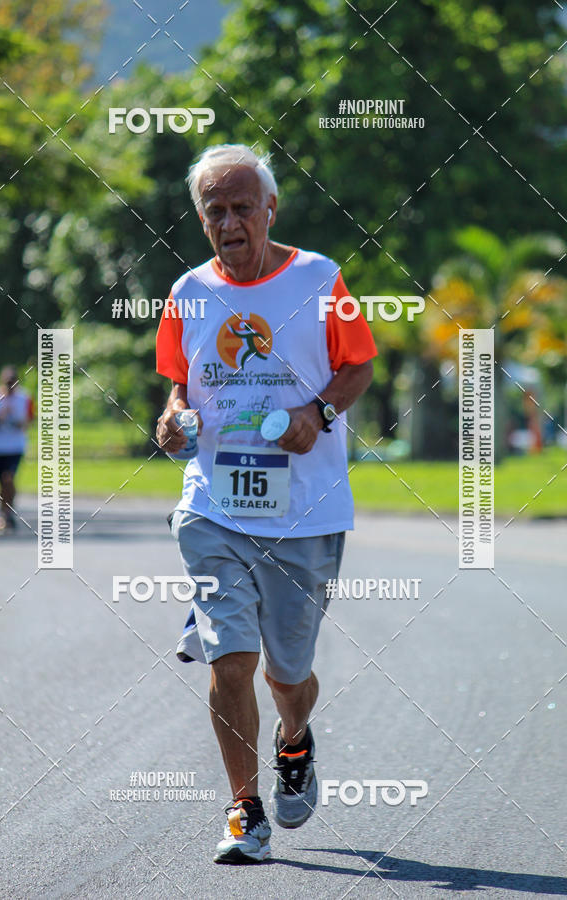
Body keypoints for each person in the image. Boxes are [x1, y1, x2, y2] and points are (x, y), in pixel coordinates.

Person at [155, 144, 377, 864]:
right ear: (200, 218)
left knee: (288, 675)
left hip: (306, 514)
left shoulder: (320, 278)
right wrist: (173, 416)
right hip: (214, 506)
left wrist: (319, 411)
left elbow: (360, 364)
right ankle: (244, 810)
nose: (229, 221)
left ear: (270, 209)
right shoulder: (187, 291)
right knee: (230, 662)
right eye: (214, 210)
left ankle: (295, 739)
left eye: (242, 206)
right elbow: (180, 384)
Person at [0, 366, 34, 534]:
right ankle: (5, 512)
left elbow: (31, 419)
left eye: (13, 382)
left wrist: (22, 423)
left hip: (16, 445)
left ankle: (6, 513)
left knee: (8, 478)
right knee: (1, 482)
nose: (10, 386)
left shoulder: (24, 398)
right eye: (7, 382)